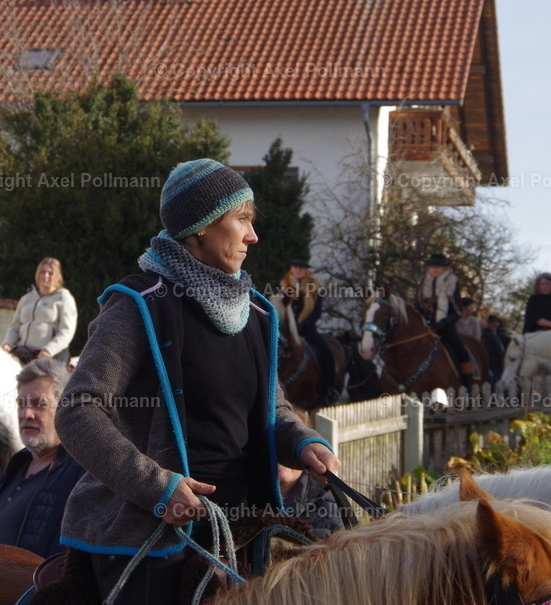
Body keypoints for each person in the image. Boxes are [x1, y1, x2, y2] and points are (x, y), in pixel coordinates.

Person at [54, 158, 339, 604]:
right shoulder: (138, 304)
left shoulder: (258, 313)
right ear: (202, 226)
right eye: (242, 219)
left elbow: (273, 409)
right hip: (147, 540)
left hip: (243, 535)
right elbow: (77, 410)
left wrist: (303, 443)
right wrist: (157, 488)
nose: (253, 235)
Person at [0, 358, 85, 557]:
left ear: (65, 408)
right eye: (21, 404)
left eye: (39, 404)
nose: (26, 414)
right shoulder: (18, 463)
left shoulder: (81, 472)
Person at [279, 258, 336, 403]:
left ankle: (330, 388)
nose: (298, 270)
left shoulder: (315, 288)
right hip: (286, 330)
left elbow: (316, 313)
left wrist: (302, 326)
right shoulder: (284, 287)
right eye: (296, 267)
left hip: (307, 329)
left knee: (326, 352)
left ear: (306, 270)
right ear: (291, 269)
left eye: (302, 268)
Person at [1, 258, 77, 364]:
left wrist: (48, 350)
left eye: (50, 273)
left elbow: (66, 332)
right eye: (42, 272)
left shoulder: (64, 298)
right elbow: (15, 327)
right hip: (23, 352)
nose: (46, 276)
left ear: (57, 277)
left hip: (52, 355)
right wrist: (8, 343)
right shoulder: (26, 299)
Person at [416, 253, 474, 388]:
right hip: (425, 326)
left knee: (461, 352)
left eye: (438, 267)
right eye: (432, 267)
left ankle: (467, 385)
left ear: (444, 268)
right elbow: (417, 306)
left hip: (446, 327)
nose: (434, 270)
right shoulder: (423, 282)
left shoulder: (452, 282)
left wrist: (444, 322)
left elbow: (457, 311)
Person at [481, 314, 506, 385]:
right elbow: (488, 350)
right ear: (488, 324)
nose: (495, 324)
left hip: (499, 363)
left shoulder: (497, 334)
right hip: (493, 364)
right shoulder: (486, 334)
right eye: (492, 323)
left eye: (496, 323)